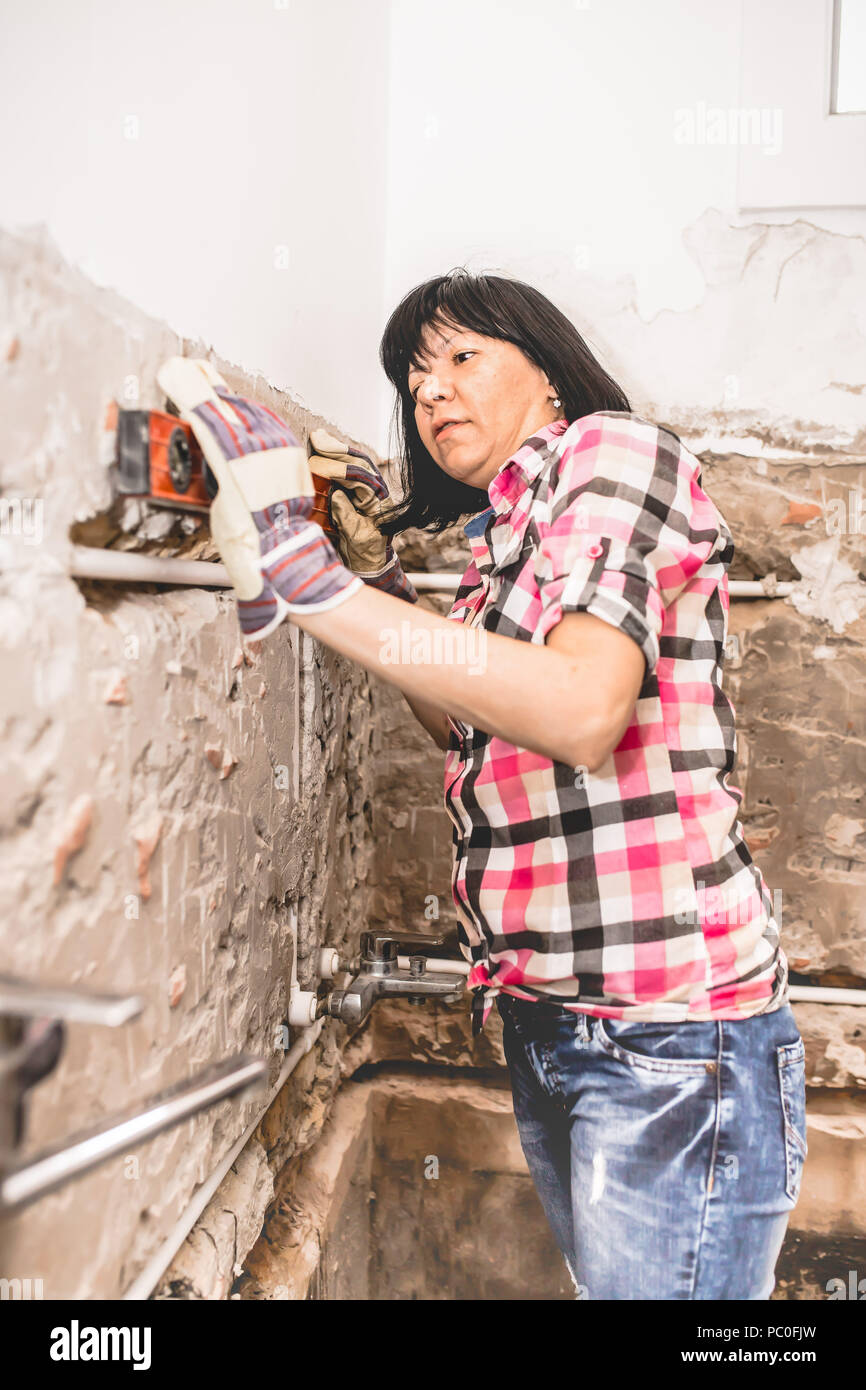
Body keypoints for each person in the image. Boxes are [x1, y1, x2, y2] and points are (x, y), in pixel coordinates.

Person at [157, 268, 807, 1301]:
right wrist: (370, 583)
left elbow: (579, 710)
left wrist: (305, 574)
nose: (431, 393)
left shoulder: (613, 451)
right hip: (557, 1021)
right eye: (414, 380)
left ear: (548, 378)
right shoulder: (503, 533)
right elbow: (477, 717)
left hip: (671, 1036)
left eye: (461, 357)